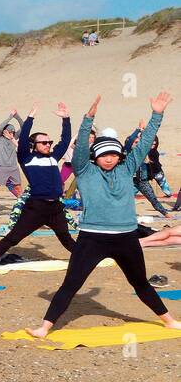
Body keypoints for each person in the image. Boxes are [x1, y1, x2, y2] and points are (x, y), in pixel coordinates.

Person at [26, 93, 181, 337]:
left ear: (120, 155)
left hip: (126, 238)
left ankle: (169, 320)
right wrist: (88, 118)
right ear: (95, 157)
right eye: (103, 155)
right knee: (71, 284)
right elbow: (79, 151)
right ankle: (44, 328)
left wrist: (157, 115)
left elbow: (144, 144)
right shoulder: (85, 171)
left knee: (140, 283)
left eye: (113, 154)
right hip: (92, 238)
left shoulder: (127, 168)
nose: (109, 158)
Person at [0, 103, 76, 270]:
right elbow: (23, 139)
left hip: (56, 207)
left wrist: (66, 119)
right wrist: (30, 118)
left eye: (49, 142)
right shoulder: (27, 158)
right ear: (35, 145)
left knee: (66, 238)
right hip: (36, 207)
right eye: (44, 142)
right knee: (14, 237)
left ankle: (84, 259)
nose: (48, 145)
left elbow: (65, 140)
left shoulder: (54, 157)